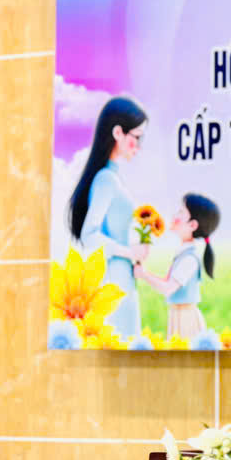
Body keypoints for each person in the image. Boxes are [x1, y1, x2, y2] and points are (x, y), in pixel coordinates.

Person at [68, 97, 150, 340]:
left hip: (123, 277)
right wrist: (129, 252)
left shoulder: (112, 178)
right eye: (136, 137)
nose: (138, 146)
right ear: (117, 133)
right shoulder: (106, 179)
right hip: (115, 280)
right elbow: (89, 234)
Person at [135, 194, 220, 341]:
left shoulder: (189, 259)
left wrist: (143, 274)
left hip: (186, 319)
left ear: (192, 225)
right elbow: (167, 282)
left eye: (181, 212)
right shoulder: (184, 255)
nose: (175, 215)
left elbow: (168, 288)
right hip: (178, 314)